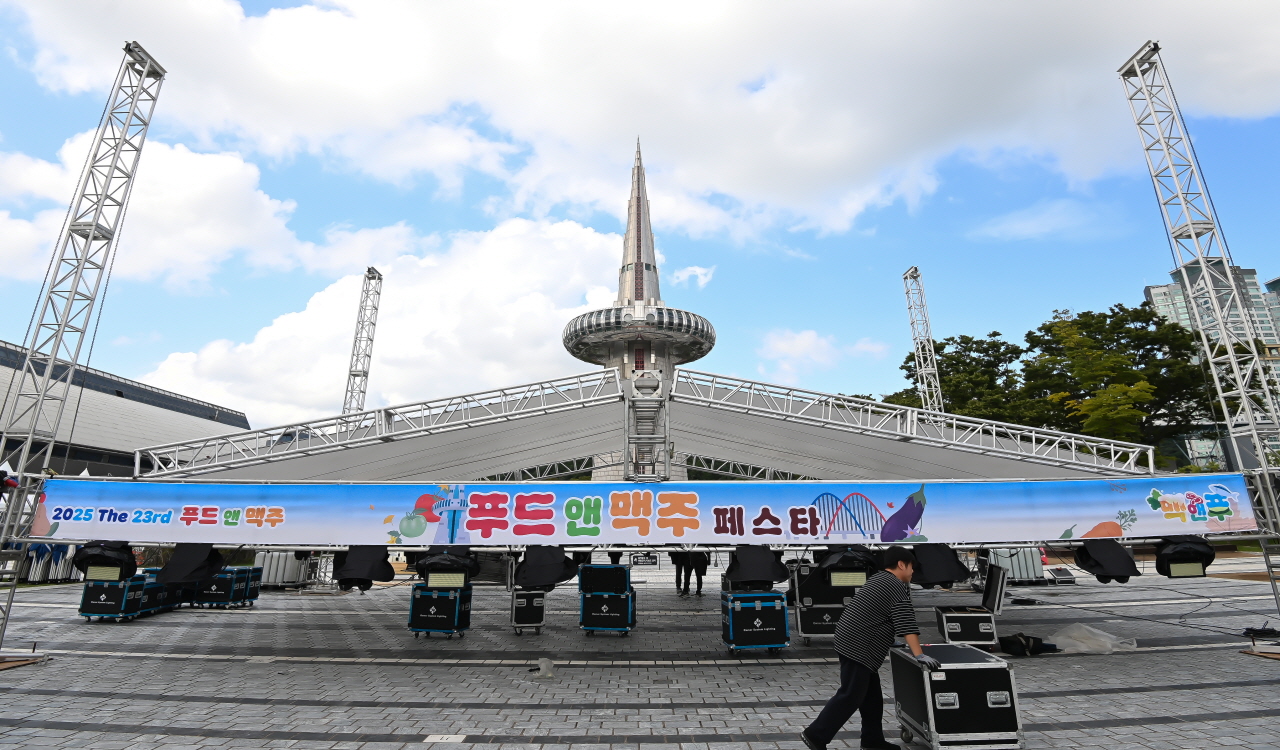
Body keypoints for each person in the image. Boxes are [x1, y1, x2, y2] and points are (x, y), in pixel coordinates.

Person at [802, 546, 939, 750]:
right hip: (859, 646)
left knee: (871, 697)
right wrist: (918, 654)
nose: (912, 572)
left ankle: (872, 740)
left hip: (851, 641)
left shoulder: (878, 579)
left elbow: (876, 613)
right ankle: (815, 735)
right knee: (851, 694)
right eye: (912, 567)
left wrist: (888, 637)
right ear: (902, 564)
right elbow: (906, 622)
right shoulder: (895, 585)